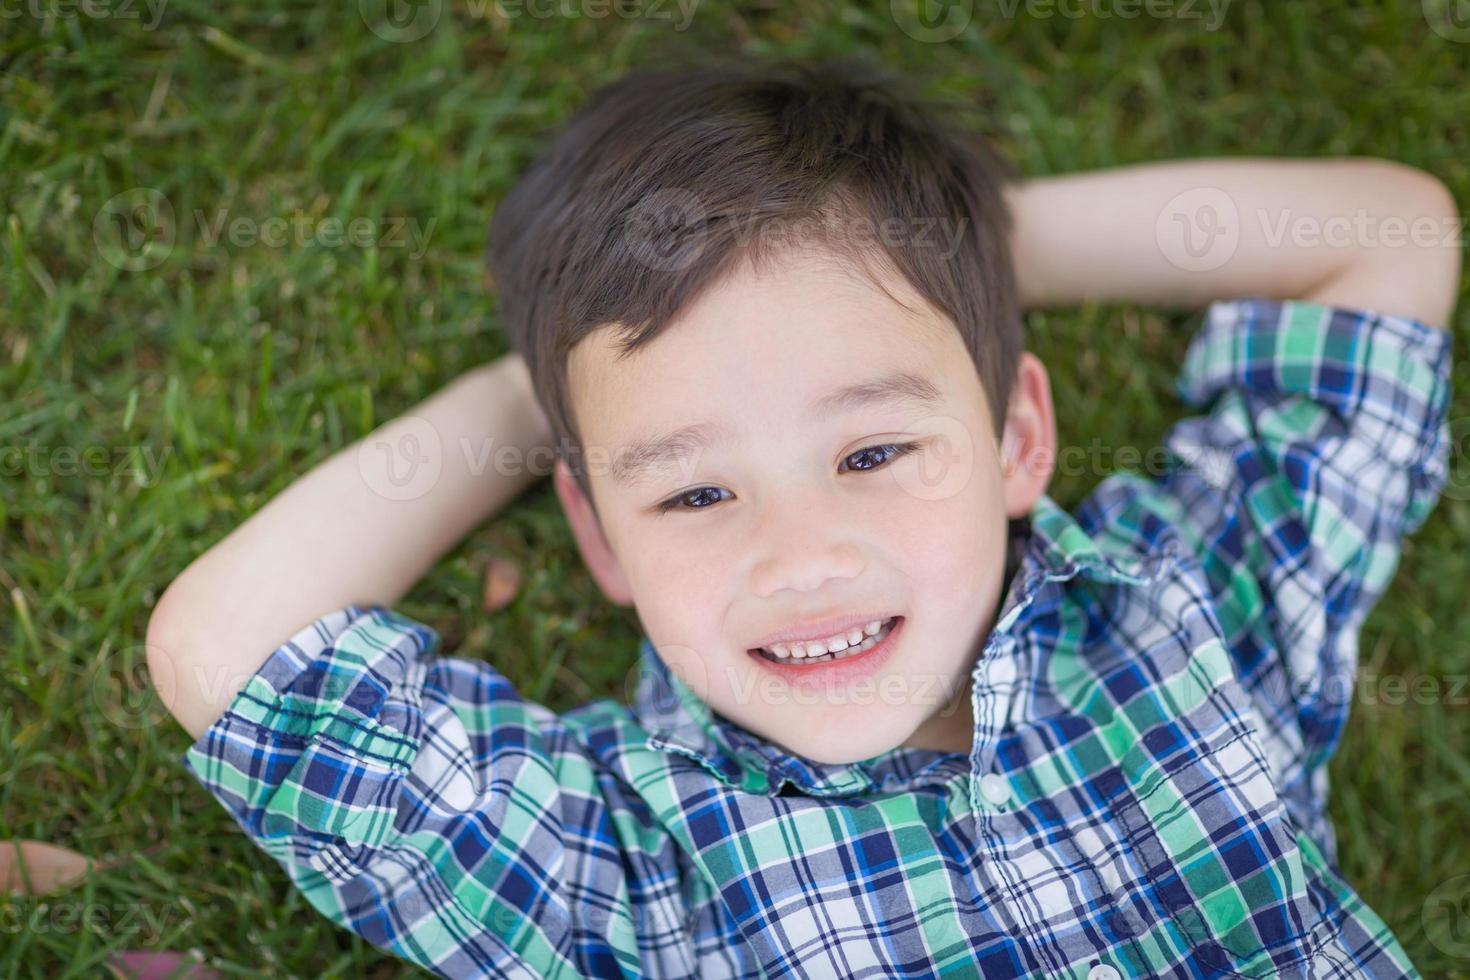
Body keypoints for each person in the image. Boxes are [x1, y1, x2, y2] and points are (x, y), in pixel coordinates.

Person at [146, 56, 1460, 978]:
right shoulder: (634, 862)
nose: (802, 553)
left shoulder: (1186, 607)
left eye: (876, 448)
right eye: (692, 488)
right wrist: (538, 394)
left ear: (1013, 437)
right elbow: (230, 645)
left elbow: (1370, 231)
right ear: (598, 538)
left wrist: (954, 258)